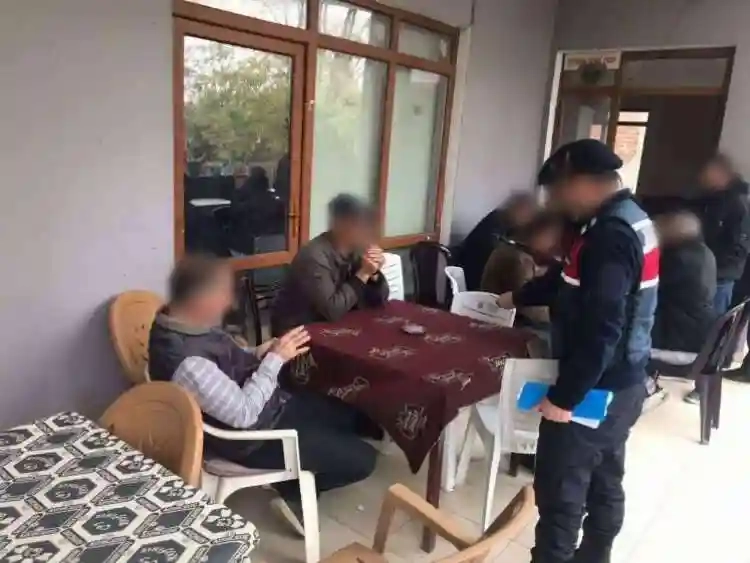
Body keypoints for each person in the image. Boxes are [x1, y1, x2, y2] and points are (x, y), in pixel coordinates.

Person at [496, 139, 655, 563]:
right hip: (625, 382)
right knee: (604, 480)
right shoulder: (627, 218)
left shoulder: (609, 237)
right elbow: (567, 279)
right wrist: (517, 297)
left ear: (582, 182)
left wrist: (565, 398)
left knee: (561, 495)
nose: (555, 200)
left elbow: (603, 328)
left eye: (558, 189)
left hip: (596, 388)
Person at [148, 256, 376, 535]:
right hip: (254, 438)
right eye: (223, 295)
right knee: (364, 461)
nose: (230, 303)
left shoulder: (183, 321)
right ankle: (293, 492)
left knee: (352, 416)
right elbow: (244, 414)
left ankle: (309, 461)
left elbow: (224, 363)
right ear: (200, 299)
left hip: (270, 404)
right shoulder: (188, 362)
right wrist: (275, 360)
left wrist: (260, 352)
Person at [271, 194, 389, 336]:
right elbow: (332, 310)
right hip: (298, 332)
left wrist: (374, 274)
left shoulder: (356, 250)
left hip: (337, 324)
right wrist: (363, 273)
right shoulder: (314, 256)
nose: (367, 232)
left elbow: (379, 301)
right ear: (340, 225)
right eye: (360, 224)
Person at [648, 211, 716, 406]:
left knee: (624, 346)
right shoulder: (704, 253)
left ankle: (646, 389)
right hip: (700, 339)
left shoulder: (677, 260)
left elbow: (646, 292)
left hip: (682, 347)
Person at [481, 212, 562, 330]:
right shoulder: (519, 259)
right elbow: (528, 307)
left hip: (500, 317)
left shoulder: (508, 248)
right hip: (512, 323)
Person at [696, 153, 750, 315]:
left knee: (714, 322)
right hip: (707, 272)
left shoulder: (737, 203)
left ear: (721, 173)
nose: (702, 176)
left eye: (708, 171)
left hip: (721, 277)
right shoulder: (713, 200)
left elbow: (738, 245)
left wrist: (714, 267)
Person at [457, 192, 538, 291]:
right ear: (520, 209)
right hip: (475, 282)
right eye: (528, 213)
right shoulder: (495, 227)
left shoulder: (503, 221)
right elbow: (498, 261)